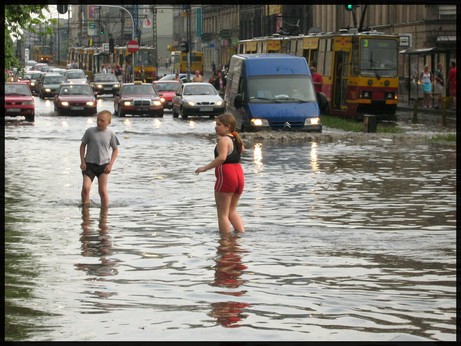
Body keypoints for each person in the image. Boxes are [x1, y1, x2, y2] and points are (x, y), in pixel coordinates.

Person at [195, 113, 245, 233]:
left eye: (219, 124)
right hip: (238, 172)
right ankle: (240, 235)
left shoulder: (224, 140)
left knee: (222, 214)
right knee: (231, 210)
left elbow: (222, 158)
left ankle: (225, 242)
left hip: (227, 174)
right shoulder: (236, 139)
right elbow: (242, 150)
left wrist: (205, 168)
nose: (216, 127)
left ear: (227, 127)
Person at [80, 110, 120, 208]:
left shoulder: (111, 134)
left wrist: (110, 164)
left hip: (103, 166)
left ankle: (104, 212)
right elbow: (82, 146)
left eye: (102, 121)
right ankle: (85, 209)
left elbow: (115, 150)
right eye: (98, 120)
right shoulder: (90, 131)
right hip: (89, 164)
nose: (99, 123)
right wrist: (82, 161)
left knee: (102, 190)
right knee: (86, 188)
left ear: (108, 122)